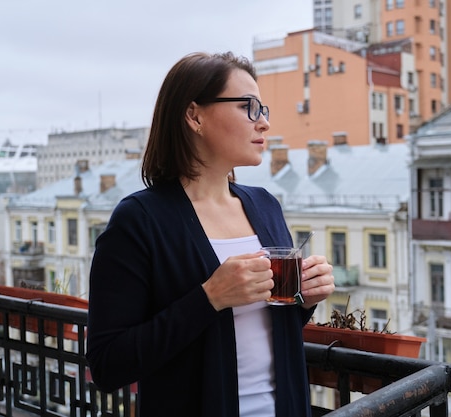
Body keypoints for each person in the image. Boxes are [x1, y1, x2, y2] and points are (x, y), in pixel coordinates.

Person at [86, 51, 335, 417]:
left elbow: (265, 330)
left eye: (263, 110)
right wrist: (209, 298)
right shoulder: (139, 220)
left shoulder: (265, 205)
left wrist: (305, 296)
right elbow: (108, 365)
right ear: (195, 115)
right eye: (248, 107)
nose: (263, 122)